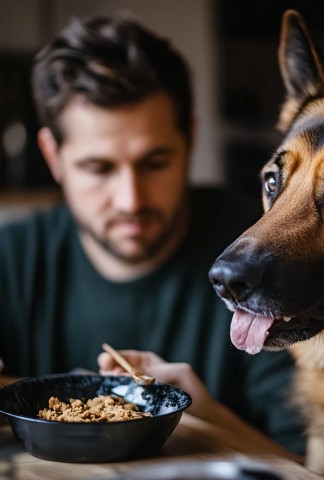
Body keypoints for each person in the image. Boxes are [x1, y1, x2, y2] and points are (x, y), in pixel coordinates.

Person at [0, 14, 305, 459]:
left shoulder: (269, 261)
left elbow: (312, 467)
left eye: (155, 162)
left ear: (190, 140)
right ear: (53, 155)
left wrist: (207, 421)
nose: (130, 199)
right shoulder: (12, 260)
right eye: (98, 168)